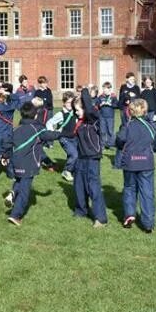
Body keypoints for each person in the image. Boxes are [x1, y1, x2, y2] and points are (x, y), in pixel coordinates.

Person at [1, 101, 62, 226]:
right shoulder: (37, 129)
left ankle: (13, 193)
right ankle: (15, 215)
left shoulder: (16, 128)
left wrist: (5, 156)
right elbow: (50, 135)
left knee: (19, 180)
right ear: (35, 116)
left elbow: (7, 143)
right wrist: (63, 133)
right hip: (29, 164)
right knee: (25, 191)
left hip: (16, 162)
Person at [116, 98, 156, 232]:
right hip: (146, 163)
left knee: (129, 188)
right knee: (147, 192)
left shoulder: (127, 126)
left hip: (130, 162)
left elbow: (119, 140)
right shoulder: (151, 126)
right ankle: (148, 223)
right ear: (144, 110)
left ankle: (129, 214)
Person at [71, 88, 108, 227]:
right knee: (79, 185)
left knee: (93, 186)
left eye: (78, 109)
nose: (76, 112)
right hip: (81, 157)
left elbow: (90, 109)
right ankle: (81, 210)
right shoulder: (79, 123)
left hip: (92, 158)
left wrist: (85, 92)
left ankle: (100, 218)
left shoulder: (93, 119)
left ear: (85, 109)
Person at [47, 91, 79, 182]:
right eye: (68, 102)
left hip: (74, 137)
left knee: (75, 154)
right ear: (64, 103)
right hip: (64, 138)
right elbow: (49, 123)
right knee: (74, 154)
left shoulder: (75, 112)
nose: (70, 104)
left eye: (72, 102)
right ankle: (67, 171)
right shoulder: (60, 114)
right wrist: (54, 133)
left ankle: (72, 170)